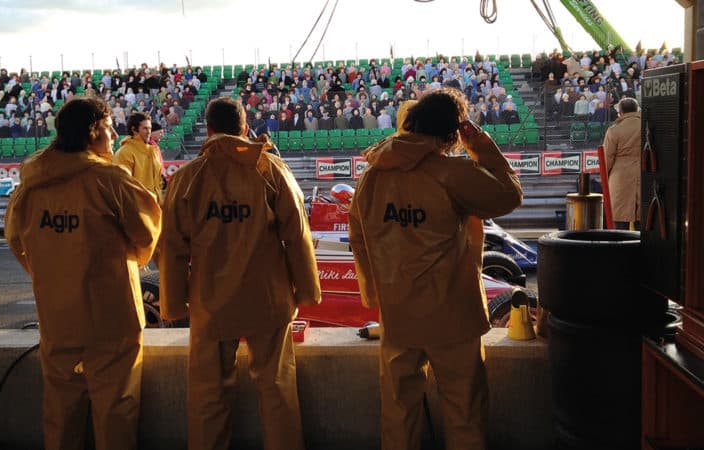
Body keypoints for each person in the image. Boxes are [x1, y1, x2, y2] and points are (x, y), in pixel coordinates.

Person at [348, 88, 523, 450]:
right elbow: (509, 195)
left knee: (398, 417)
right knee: (465, 416)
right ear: (452, 131)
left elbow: (359, 240)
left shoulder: (371, 176)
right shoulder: (452, 172)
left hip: (398, 317)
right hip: (453, 317)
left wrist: (375, 296)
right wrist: (480, 145)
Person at [158, 97, 321, 450]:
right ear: (245, 129)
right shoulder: (270, 170)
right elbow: (297, 235)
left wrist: (173, 306)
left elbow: (170, 248)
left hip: (209, 302)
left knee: (208, 395)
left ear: (209, 130)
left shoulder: (186, 178)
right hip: (269, 299)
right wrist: (307, 293)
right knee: (276, 389)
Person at [4, 97, 161, 450]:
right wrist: (129, 260)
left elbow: (16, 241)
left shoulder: (31, 185)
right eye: (108, 129)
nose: (113, 135)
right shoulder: (111, 181)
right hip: (112, 317)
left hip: (58, 316)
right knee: (115, 411)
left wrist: (52, 272)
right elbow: (146, 235)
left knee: (60, 411)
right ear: (93, 133)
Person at [603, 97, 641, 229]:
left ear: (621, 112)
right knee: (643, 219)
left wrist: (604, 177)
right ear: (637, 110)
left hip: (620, 176)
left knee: (619, 220)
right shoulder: (647, 126)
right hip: (644, 174)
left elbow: (607, 158)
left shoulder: (614, 130)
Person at [113, 112, 164, 204]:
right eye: (145, 128)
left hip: (156, 209)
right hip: (136, 211)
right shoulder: (124, 153)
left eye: (150, 128)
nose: (149, 132)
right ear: (134, 129)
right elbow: (123, 188)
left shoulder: (153, 151)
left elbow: (158, 183)